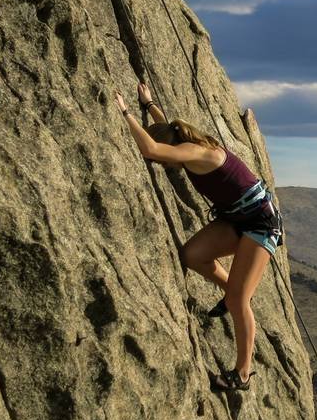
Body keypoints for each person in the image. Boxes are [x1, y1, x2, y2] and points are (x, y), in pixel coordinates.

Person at [114, 82, 283, 392]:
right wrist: (149, 106)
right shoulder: (185, 142)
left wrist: (124, 112)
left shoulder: (197, 151)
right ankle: (232, 293)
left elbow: (153, 148)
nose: (162, 165)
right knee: (193, 256)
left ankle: (242, 374)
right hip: (237, 219)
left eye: (164, 162)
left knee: (238, 299)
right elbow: (166, 135)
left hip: (261, 224)